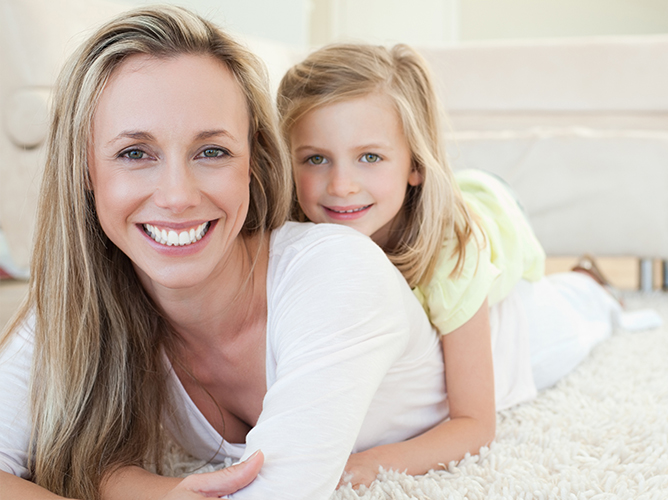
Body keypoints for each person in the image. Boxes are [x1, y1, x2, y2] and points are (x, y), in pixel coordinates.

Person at [0, 7, 453, 499]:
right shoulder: (79, 301)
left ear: (253, 162)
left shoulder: (340, 271)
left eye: (211, 151)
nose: (177, 196)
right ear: (85, 172)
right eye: (135, 153)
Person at [277, 43, 626, 487]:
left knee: (581, 321)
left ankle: (591, 282)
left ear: (415, 165)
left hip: (495, 234)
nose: (341, 185)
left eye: (370, 157)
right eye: (316, 159)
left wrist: (374, 461)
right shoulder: (296, 237)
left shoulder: (453, 251)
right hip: (449, 205)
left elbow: (475, 424)